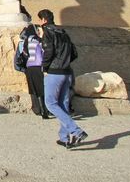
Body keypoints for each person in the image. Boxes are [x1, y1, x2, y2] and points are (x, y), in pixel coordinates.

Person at [37, 9, 87, 149]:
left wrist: (45, 68)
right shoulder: (63, 32)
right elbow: (74, 53)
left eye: (40, 20)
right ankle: (64, 138)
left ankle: (76, 131)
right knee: (63, 104)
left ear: (44, 20)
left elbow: (48, 52)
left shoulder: (47, 31)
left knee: (50, 103)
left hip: (55, 72)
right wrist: (65, 62)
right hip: (67, 72)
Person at [17, 24, 49, 119]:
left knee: (33, 89)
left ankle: (37, 109)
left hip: (29, 67)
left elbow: (25, 54)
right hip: (39, 66)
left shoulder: (26, 41)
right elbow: (43, 53)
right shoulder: (39, 40)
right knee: (42, 89)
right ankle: (44, 110)